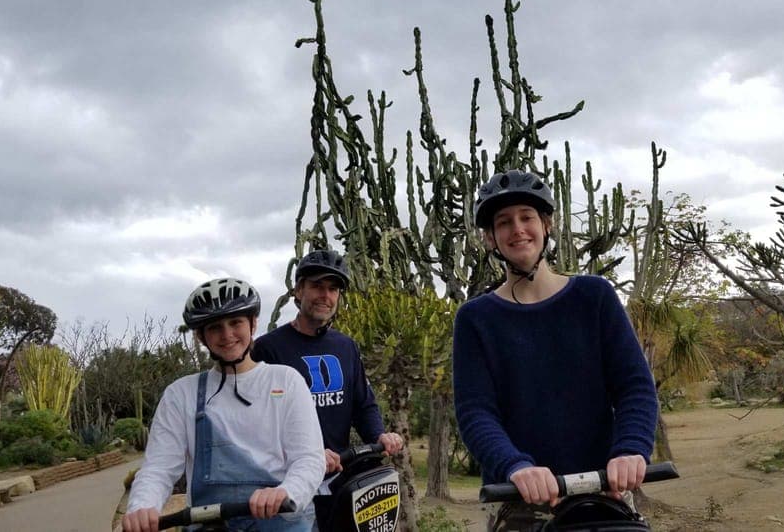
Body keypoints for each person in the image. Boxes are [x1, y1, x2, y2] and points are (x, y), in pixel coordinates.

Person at [452, 170, 659, 530]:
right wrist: (515, 465)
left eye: (527, 217)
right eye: (504, 222)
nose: (517, 228)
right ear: (490, 238)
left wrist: (630, 448)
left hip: (603, 491)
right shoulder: (475, 318)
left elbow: (635, 387)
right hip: (520, 498)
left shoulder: (595, 297)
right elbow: (476, 412)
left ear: (546, 225)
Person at [122, 278, 324, 532]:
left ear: (252, 324)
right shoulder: (181, 394)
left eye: (236, 322)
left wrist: (286, 491)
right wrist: (142, 507)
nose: (227, 335)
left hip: (281, 522)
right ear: (201, 336)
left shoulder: (286, 380)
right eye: (215, 327)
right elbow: (158, 468)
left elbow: (309, 458)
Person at [253, 249, 404, 531]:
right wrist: (308, 453)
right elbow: (260, 423)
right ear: (299, 290)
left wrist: (379, 434)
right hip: (288, 486)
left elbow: (363, 403)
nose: (326, 295)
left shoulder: (345, 346)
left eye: (333, 288)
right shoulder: (268, 348)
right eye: (317, 286)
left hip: (339, 479)